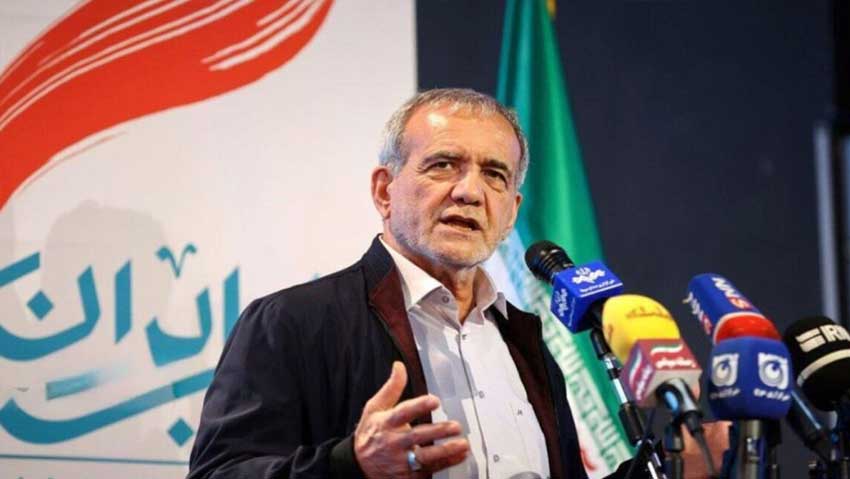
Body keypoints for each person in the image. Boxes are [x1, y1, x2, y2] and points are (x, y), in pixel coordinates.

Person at [187, 88, 705, 479]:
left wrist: (684, 463)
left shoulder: (525, 340)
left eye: (495, 175)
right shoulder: (294, 322)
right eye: (443, 165)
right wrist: (351, 465)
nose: (469, 192)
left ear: (511, 212)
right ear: (384, 191)